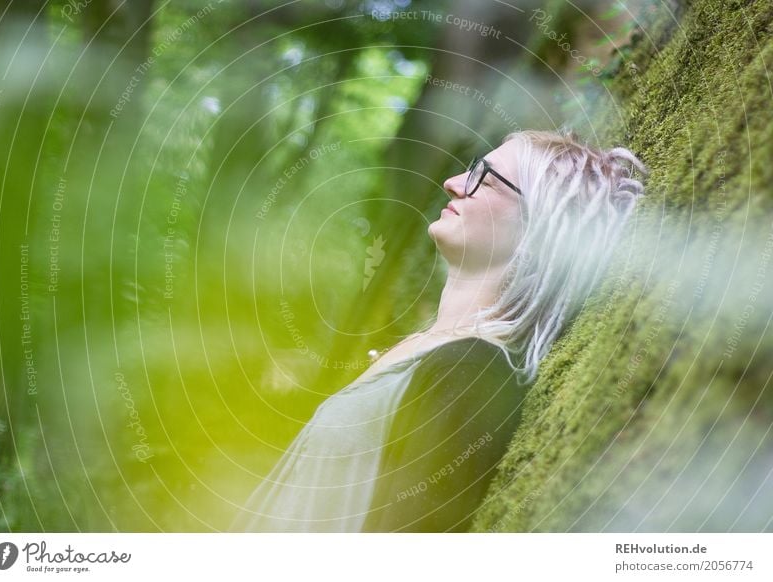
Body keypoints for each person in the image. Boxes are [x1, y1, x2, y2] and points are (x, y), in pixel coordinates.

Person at [230, 129, 648, 532]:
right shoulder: (428, 350)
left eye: (486, 176)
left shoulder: (471, 371)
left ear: (540, 226)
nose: (452, 184)